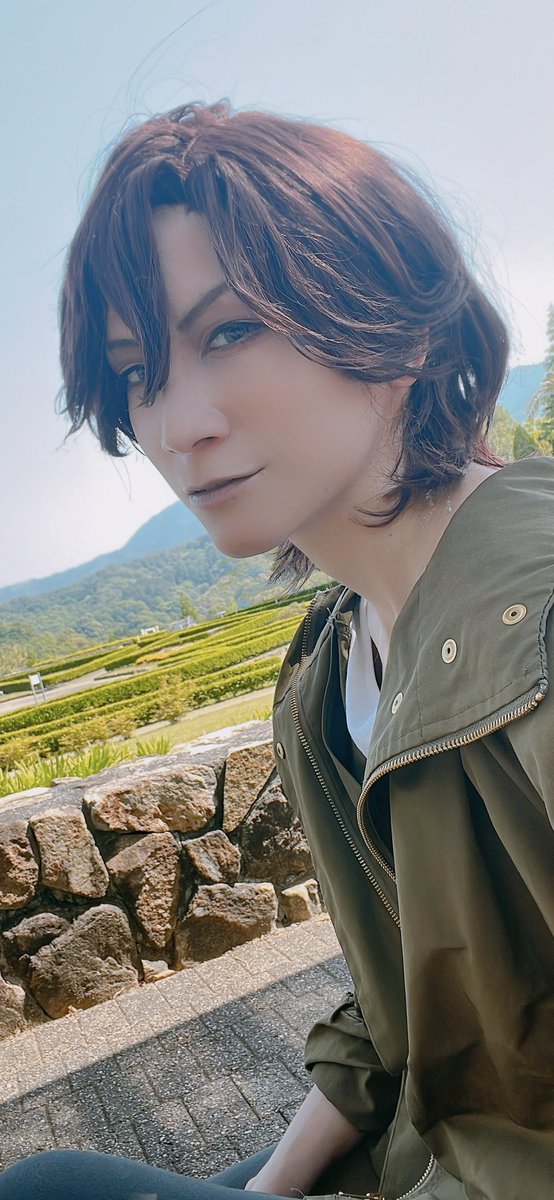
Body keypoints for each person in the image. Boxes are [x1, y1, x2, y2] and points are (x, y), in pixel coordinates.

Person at [1, 101, 552, 1200]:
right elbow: (406, 994)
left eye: (229, 332)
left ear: (392, 319)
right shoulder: (325, 678)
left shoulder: (532, 625)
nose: (175, 427)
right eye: (137, 373)